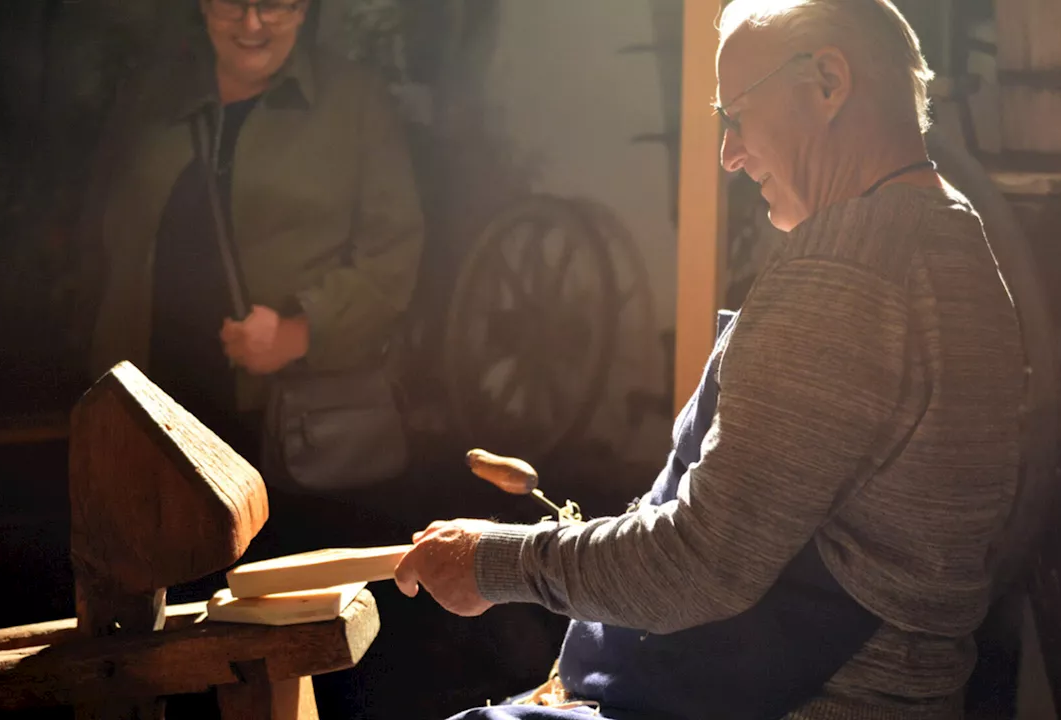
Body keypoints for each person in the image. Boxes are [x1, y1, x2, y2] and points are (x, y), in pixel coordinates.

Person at [393, 1, 1028, 718]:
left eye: (737, 116)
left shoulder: (843, 279)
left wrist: (493, 562)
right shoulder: (957, 238)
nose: (729, 153)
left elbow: (702, 565)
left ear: (827, 82)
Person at [80, 0, 423, 468]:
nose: (252, 23)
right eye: (232, 4)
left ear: (302, 10)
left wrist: (299, 333)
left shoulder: (355, 102)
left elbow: (393, 254)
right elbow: (100, 223)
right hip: (146, 399)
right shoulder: (151, 92)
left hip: (278, 416)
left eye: (274, 5)